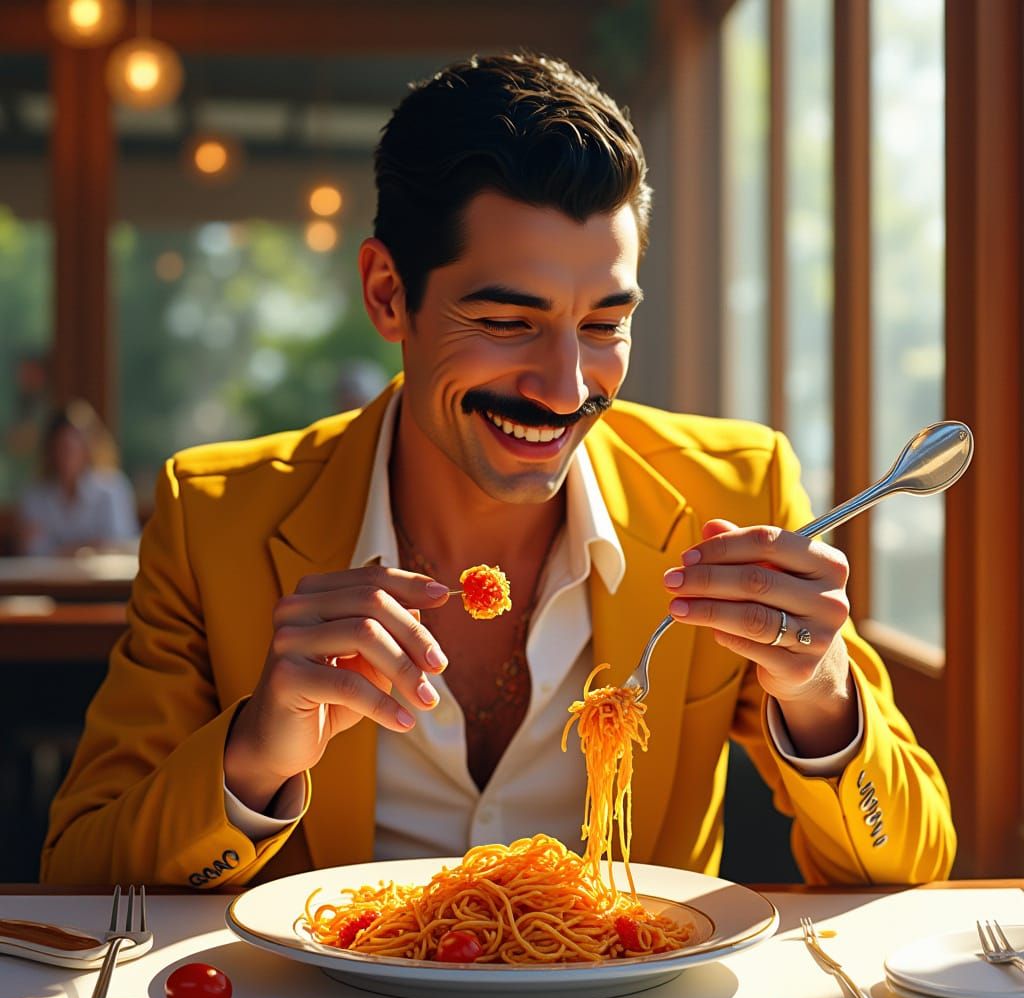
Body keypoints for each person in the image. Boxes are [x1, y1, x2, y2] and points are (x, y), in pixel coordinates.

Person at [42, 54, 954, 888]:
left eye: (603, 325)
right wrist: (255, 755)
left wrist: (821, 691)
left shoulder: (735, 489)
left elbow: (909, 866)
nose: (566, 389)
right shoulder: (214, 517)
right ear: (388, 294)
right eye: (508, 323)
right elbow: (80, 873)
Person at [15, 399, 139, 557]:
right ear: (50, 451)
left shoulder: (111, 488)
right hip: (50, 574)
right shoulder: (36, 495)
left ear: (88, 448)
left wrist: (64, 550)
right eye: (61, 447)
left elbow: (119, 543)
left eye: (73, 447)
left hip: (102, 574)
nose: (67, 455)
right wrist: (87, 548)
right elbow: (34, 549)